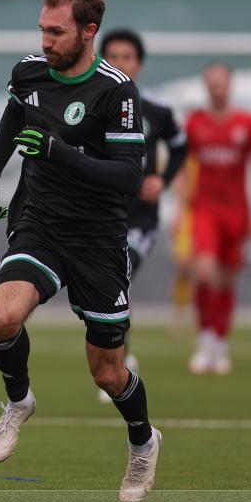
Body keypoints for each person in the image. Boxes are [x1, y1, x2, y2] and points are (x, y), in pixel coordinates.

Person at [0, 0, 161, 502]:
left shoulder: (116, 90)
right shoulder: (30, 72)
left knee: (106, 373)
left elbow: (127, 177)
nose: (45, 40)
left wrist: (61, 152)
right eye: (42, 28)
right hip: (39, 221)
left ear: (88, 31)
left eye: (56, 32)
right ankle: (18, 402)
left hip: (98, 239)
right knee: (3, 316)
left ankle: (143, 442)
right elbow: (14, 117)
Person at [96, 28, 188, 402]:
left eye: (127, 57)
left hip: (139, 220)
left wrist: (162, 181)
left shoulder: (156, 110)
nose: (119, 63)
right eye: (112, 56)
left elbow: (181, 148)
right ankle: (115, 358)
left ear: (139, 64)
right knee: (104, 289)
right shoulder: (90, 105)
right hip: (99, 215)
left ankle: (120, 362)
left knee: (121, 273)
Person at [183, 63, 251, 375]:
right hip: (205, 209)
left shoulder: (249, 123)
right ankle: (205, 341)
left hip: (237, 211)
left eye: (221, 83)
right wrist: (181, 211)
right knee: (204, 273)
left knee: (227, 280)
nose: (216, 88)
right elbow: (183, 169)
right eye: (211, 83)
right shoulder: (195, 123)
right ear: (206, 87)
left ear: (230, 85)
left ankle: (220, 344)